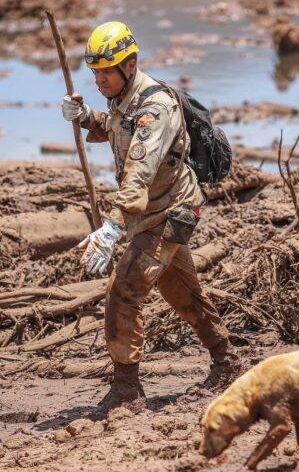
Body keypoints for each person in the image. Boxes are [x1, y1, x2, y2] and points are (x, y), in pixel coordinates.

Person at [61, 21, 240, 412]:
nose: (100, 80)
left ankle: (127, 387)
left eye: (106, 72)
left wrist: (111, 228)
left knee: (124, 289)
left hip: (170, 211)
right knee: (181, 290)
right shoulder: (124, 97)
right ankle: (227, 362)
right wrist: (88, 115)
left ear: (131, 63)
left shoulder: (155, 107)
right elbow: (116, 127)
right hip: (153, 210)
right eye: (95, 73)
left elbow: (139, 173)